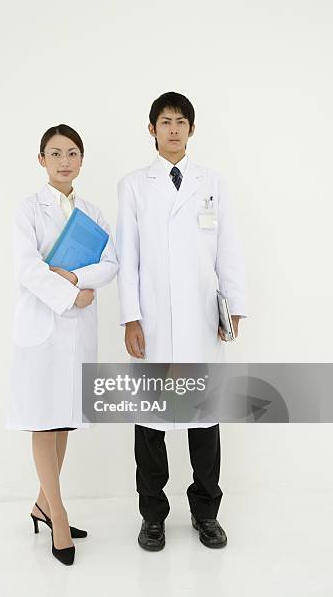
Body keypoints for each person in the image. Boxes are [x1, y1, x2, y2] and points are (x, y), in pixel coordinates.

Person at [116, 92, 247, 552]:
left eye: (181, 121)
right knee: (151, 424)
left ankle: (206, 514)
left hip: (200, 320)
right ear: (151, 129)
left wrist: (234, 304)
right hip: (151, 321)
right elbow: (127, 256)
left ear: (192, 129)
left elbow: (228, 247)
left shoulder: (213, 182)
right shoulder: (133, 185)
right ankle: (152, 516)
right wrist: (131, 317)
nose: (174, 129)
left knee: (203, 420)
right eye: (165, 121)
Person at [6, 124, 118, 565]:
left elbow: (110, 261)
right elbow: (27, 268)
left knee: (64, 417)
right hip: (41, 327)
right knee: (43, 418)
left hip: (76, 329)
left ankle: (42, 504)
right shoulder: (27, 209)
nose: (64, 161)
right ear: (41, 160)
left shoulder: (91, 212)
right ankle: (60, 514)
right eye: (55, 154)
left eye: (72, 153)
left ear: (82, 160)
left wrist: (76, 278)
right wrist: (72, 293)